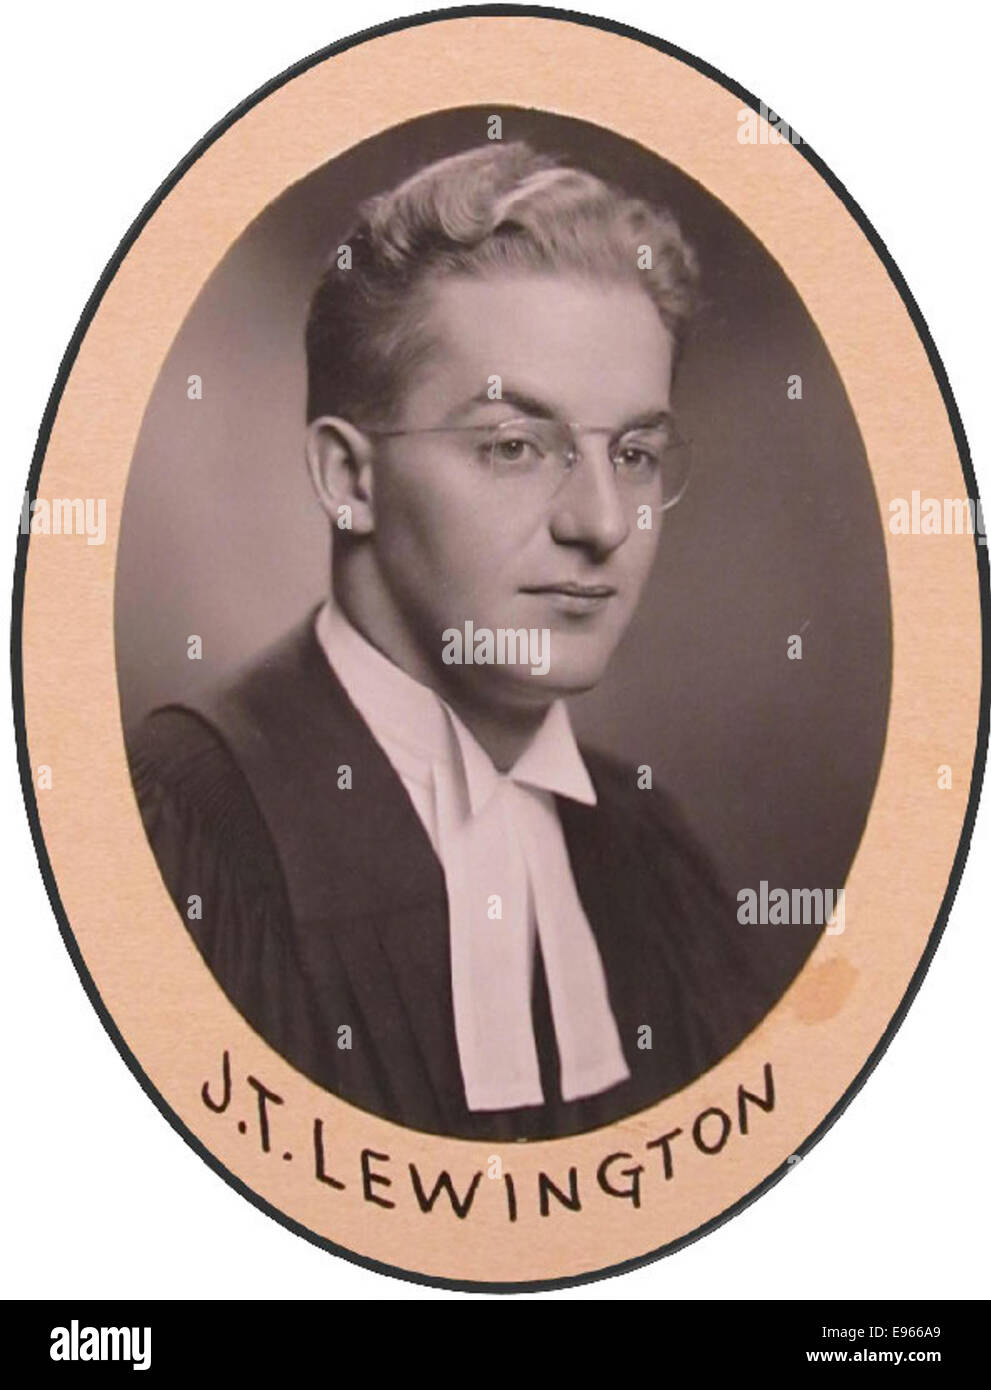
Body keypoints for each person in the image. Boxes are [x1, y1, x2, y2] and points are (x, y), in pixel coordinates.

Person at [127, 141, 777, 1140]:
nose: (602, 521)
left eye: (636, 453)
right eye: (514, 446)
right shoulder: (184, 836)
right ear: (349, 479)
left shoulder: (650, 856)